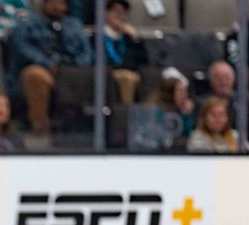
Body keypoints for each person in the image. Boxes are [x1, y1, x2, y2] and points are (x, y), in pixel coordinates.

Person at [8, 0, 93, 134]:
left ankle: (101, 131)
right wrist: (48, 64)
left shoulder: (75, 25)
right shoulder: (27, 24)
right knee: (35, 75)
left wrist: (73, 66)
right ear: (44, 3)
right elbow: (22, 48)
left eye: (61, 3)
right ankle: (41, 128)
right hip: (43, 71)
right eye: (53, 2)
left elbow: (87, 53)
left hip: (71, 73)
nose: (57, 7)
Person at [197, 61, 249, 152]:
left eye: (226, 77)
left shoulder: (243, 99)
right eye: (218, 78)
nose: (223, 82)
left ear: (233, 79)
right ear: (211, 80)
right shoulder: (203, 102)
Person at [100, 0, 147, 104]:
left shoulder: (128, 38)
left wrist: (136, 39)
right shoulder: (98, 37)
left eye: (123, 13)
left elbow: (144, 62)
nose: (120, 16)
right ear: (106, 13)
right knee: (127, 78)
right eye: (116, 12)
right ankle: (125, 116)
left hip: (130, 74)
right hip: (106, 75)